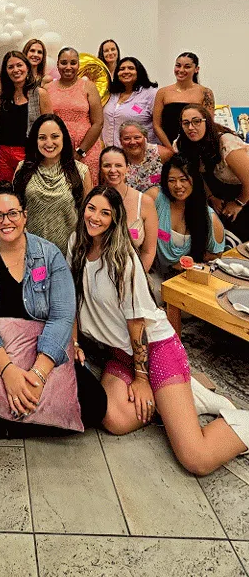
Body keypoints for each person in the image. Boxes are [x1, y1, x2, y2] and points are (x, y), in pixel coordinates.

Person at [68, 186, 247, 477]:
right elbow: (72, 297)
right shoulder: (77, 242)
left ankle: (239, 421)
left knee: (196, 458)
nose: (95, 218)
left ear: (115, 219)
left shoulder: (122, 258)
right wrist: (73, 340)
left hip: (155, 350)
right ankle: (186, 398)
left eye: (105, 212)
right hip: (121, 353)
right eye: (91, 208)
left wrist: (141, 379)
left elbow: (136, 322)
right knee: (113, 418)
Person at [0, 183, 107, 465]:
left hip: (42, 348)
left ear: (25, 216)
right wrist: (9, 372)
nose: (6, 221)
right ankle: (9, 416)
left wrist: (38, 374)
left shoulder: (49, 255)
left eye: (13, 213)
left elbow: (63, 315)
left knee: (95, 405)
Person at [14, 114, 92, 256]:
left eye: (55, 136)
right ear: (35, 140)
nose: (49, 143)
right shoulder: (22, 168)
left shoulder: (81, 172)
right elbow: (16, 212)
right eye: (42, 137)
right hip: (30, 252)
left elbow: (87, 217)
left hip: (69, 254)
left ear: (64, 138)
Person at [177, 104, 249, 242]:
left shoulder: (226, 143)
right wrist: (211, 197)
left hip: (244, 194)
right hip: (221, 194)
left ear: (207, 121)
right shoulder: (185, 144)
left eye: (196, 121)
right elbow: (196, 174)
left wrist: (239, 203)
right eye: (186, 123)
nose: (191, 127)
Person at [147, 155, 225, 283]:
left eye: (183, 179)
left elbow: (216, 257)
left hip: (189, 278)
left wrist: (191, 261)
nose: (178, 186)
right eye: (171, 180)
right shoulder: (156, 198)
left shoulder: (209, 217)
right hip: (154, 272)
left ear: (194, 179)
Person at [48, 47, 103, 185]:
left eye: (73, 63)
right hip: (57, 150)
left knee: (87, 191)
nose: (68, 67)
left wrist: (80, 151)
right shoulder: (48, 88)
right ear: (57, 64)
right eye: (64, 62)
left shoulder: (88, 86)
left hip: (87, 151)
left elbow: (98, 122)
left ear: (78, 65)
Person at [98, 147, 158, 272]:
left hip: (134, 275)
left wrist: (136, 280)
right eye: (107, 165)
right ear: (100, 169)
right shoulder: (94, 200)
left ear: (127, 168)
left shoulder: (145, 202)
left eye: (118, 165)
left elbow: (148, 251)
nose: (113, 170)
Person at [0, 51, 52, 182]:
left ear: (27, 67)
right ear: (6, 71)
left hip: (29, 154)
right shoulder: (2, 96)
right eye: (10, 67)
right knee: (6, 194)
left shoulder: (40, 94)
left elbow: (50, 127)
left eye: (19, 65)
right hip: (3, 155)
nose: (16, 70)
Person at [153, 52, 215, 151]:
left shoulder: (205, 92)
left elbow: (209, 123)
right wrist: (170, 149)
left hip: (197, 147)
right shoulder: (162, 92)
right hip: (168, 147)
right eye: (178, 66)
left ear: (196, 69)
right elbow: (157, 125)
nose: (181, 70)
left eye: (187, 67)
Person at [103, 57, 158, 146]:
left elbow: (159, 125)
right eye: (122, 69)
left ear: (139, 72)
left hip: (140, 152)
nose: (126, 71)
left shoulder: (151, 93)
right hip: (112, 153)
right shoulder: (111, 94)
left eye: (131, 68)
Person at [120, 121, 173, 193]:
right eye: (127, 138)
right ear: (120, 141)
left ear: (145, 138)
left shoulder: (161, 154)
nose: (132, 142)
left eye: (137, 137)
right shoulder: (117, 158)